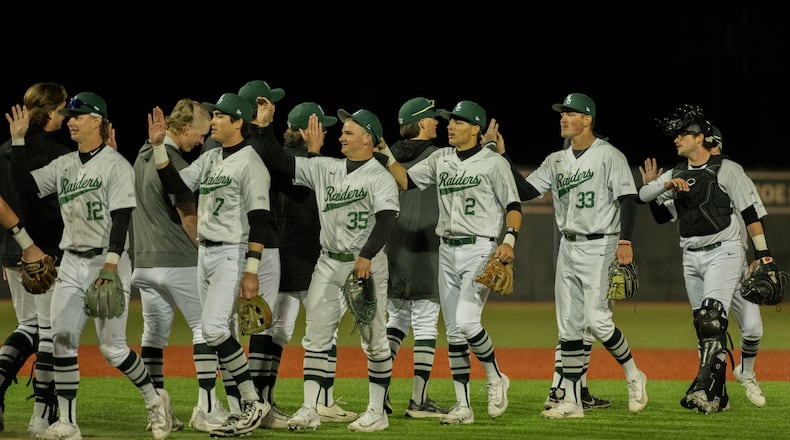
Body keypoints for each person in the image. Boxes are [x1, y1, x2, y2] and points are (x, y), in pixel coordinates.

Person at [9, 92, 173, 440]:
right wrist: (19, 141)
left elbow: (122, 217)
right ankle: (68, 422)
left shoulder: (115, 165)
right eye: (69, 115)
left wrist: (111, 264)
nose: (71, 120)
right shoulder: (65, 164)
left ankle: (155, 400)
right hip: (70, 262)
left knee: (112, 348)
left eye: (79, 115)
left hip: (105, 260)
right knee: (62, 339)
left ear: (97, 121)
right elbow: (24, 186)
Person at [379, 99, 520, 425]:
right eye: (448, 121)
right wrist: (385, 151)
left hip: (480, 249)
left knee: (468, 323)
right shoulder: (440, 158)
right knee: (455, 332)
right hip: (447, 250)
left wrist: (509, 240)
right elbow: (404, 180)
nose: (449, 126)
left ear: (475, 128)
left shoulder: (493, 163)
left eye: (457, 122)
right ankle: (463, 406)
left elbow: (514, 205)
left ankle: (496, 376)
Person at [512, 92, 648, 419]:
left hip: (602, 243)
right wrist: (501, 157)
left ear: (587, 119)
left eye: (570, 113)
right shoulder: (556, 160)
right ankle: (572, 401)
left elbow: (628, 199)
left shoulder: (608, 155)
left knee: (598, 321)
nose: (563, 118)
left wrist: (625, 242)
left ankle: (633, 374)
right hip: (568, 245)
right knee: (569, 327)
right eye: (562, 114)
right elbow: (526, 191)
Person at [263, 108, 397, 433]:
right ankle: (310, 408)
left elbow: (387, 218)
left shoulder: (380, 176)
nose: (341, 136)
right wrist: (263, 127)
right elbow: (281, 162)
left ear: (368, 138)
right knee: (316, 338)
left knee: (376, 342)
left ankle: (377, 412)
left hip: (366, 264)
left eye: (349, 132)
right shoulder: (326, 167)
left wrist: (366, 254)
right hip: (328, 261)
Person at [151, 92, 272, 437]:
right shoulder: (212, 157)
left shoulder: (251, 162)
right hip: (205, 252)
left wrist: (252, 268)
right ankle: (239, 409)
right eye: (214, 114)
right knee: (218, 331)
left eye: (221, 116)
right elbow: (177, 186)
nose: (213, 120)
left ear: (239, 123)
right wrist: (160, 148)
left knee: (215, 330)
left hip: (232, 253)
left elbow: (260, 219)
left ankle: (252, 402)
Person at [639, 120, 768, 410]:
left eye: (684, 134)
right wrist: (654, 187)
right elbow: (662, 215)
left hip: (732, 258)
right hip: (697, 256)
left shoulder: (729, 172)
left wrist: (763, 256)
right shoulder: (682, 175)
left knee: (751, 329)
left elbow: (752, 216)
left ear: (703, 140)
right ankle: (713, 394)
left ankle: (745, 373)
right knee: (707, 325)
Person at [130, 98, 232, 433]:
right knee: (207, 329)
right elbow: (188, 218)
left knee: (153, 335)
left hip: (144, 264)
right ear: (185, 128)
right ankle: (206, 407)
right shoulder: (170, 161)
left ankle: (158, 411)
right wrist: (208, 252)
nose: (202, 140)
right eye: (200, 134)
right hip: (178, 261)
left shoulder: (141, 156)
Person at [199, 80, 289, 429]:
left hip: (250, 243)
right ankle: (249, 403)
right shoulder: (233, 146)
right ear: (248, 111)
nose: (272, 108)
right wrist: (264, 130)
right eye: (266, 103)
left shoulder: (243, 144)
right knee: (233, 327)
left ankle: (259, 402)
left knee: (255, 323)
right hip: (248, 243)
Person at [266, 102, 358, 425]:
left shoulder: (274, 159)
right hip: (309, 261)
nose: (329, 132)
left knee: (275, 332)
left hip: (277, 260)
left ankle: (264, 401)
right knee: (324, 333)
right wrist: (316, 153)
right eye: (322, 126)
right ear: (309, 130)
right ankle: (324, 402)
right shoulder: (308, 162)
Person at [0, 82, 70, 436]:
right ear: (47, 112)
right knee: (49, 334)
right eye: (61, 109)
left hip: (12, 252)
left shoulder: (3, 150)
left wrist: (10, 247)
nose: (65, 115)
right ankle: (41, 415)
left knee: (28, 326)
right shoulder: (58, 154)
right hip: (44, 253)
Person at [382, 97, 448, 418]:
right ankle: (419, 401)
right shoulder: (440, 157)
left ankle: (379, 395)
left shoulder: (385, 157)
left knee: (396, 320)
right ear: (422, 123)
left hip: (392, 246)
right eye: (432, 118)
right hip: (427, 245)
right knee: (424, 323)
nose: (437, 122)